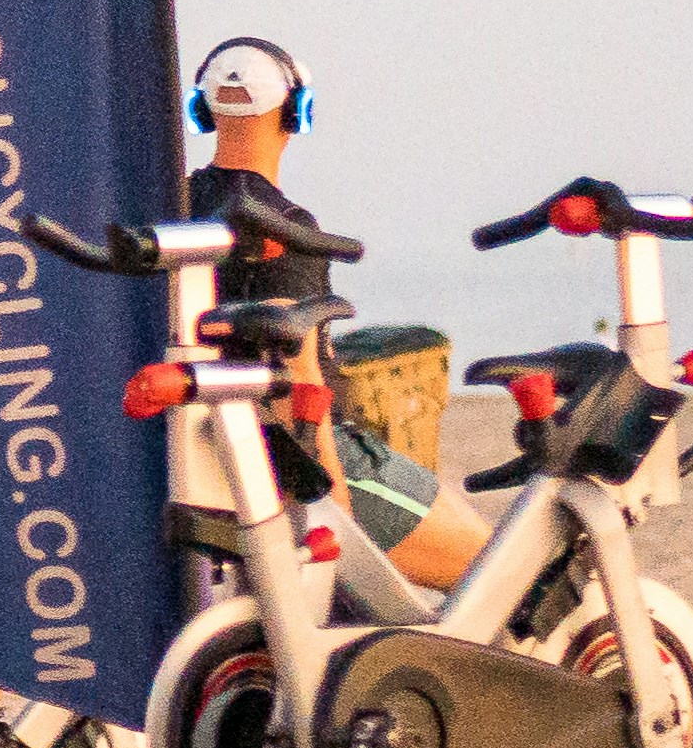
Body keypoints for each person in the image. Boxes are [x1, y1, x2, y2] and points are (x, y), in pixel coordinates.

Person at [189, 37, 483, 589]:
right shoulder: (282, 226)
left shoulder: (173, 209)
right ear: (296, 113)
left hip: (200, 445)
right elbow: (295, 371)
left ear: (202, 111)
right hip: (293, 454)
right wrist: (332, 505)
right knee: (498, 572)